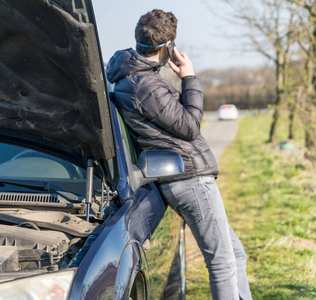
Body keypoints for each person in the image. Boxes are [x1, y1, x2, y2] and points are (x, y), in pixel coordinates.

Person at [105, 9, 253, 300]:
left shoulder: (132, 78)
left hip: (184, 177)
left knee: (235, 253)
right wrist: (189, 78)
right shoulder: (145, 85)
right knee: (223, 263)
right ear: (168, 46)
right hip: (191, 180)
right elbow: (189, 126)